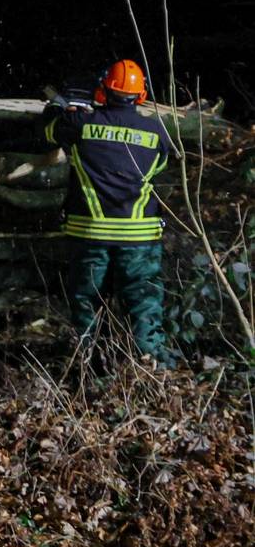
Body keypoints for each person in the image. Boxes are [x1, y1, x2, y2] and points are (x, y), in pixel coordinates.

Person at [40, 59, 174, 364]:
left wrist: (61, 108)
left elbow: (48, 130)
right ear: (140, 95)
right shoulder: (155, 132)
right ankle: (149, 361)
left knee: (87, 300)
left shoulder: (81, 125)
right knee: (143, 301)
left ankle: (91, 362)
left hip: (90, 233)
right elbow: (161, 165)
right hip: (140, 235)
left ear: (104, 90)